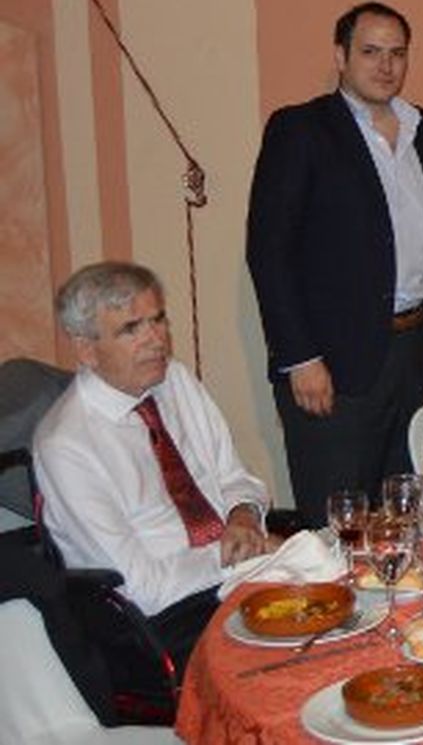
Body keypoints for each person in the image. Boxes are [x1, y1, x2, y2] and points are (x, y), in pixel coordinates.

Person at [247, 0, 423, 524]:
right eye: (370, 51)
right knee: (340, 522)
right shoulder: (301, 129)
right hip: (331, 360)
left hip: (413, 352)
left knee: (407, 516)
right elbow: (269, 250)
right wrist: (300, 356)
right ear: (340, 56)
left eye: (397, 53)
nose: (385, 65)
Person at [32, 262, 274, 674]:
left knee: (357, 601)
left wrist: (244, 516)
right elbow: (140, 589)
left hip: (235, 576)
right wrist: (230, 556)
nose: (155, 339)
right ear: (85, 349)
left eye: (158, 319)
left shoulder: (174, 381)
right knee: (300, 653)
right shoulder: (66, 445)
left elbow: (235, 479)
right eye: (131, 329)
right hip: (163, 621)